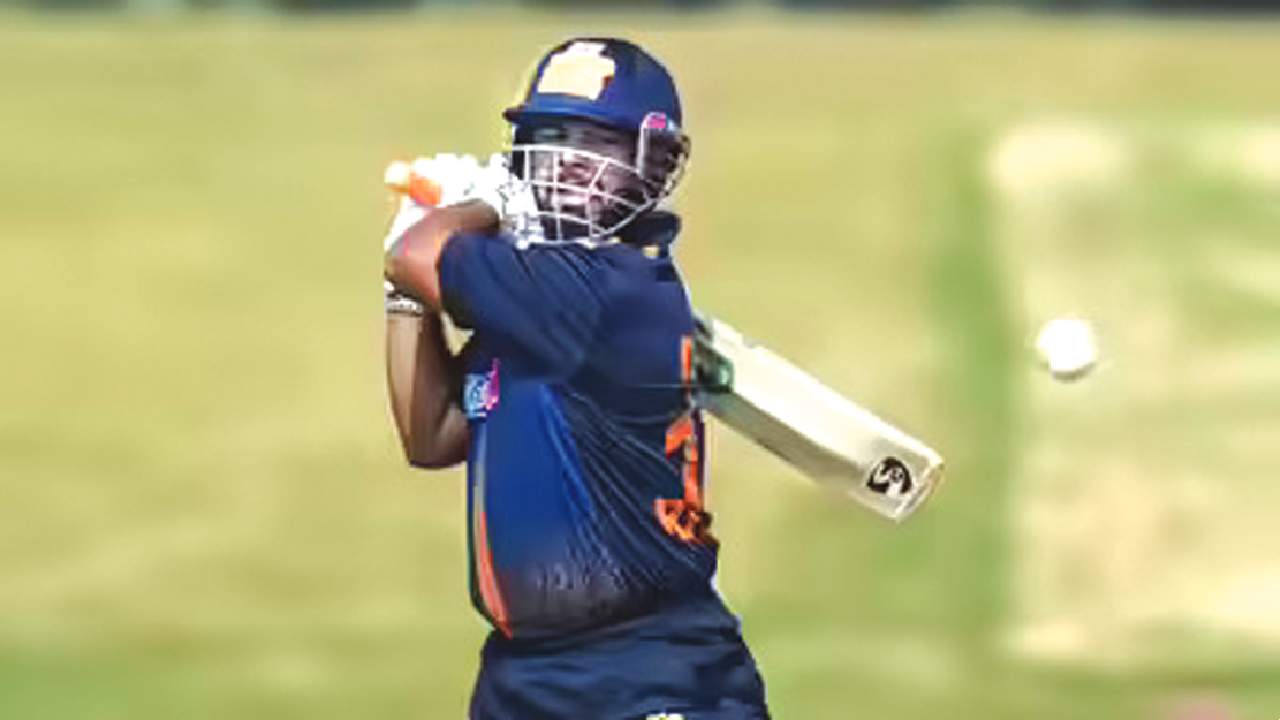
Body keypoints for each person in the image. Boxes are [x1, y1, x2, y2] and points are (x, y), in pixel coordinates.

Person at [382, 37, 770, 720]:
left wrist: (476, 210)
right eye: (553, 139)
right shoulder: (536, 296)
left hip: (647, 672)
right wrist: (406, 298)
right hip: (526, 678)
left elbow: (419, 257)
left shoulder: (611, 293)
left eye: (598, 145)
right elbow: (432, 435)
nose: (567, 164)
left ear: (653, 167)